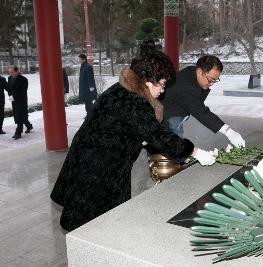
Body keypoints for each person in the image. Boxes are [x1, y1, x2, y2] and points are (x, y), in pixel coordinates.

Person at [50, 50, 216, 231]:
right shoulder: (134, 102)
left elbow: (128, 127)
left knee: (102, 220)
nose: (162, 91)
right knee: (91, 224)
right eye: (161, 85)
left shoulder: (122, 88)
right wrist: (196, 152)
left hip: (96, 159)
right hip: (98, 168)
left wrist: (142, 139)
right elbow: (159, 135)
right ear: (147, 81)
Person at [161, 55, 246, 147]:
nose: (212, 84)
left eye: (215, 80)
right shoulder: (185, 86)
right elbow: (201, 111)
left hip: (175, 111)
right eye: (210, 80)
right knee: (171, 144)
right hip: (167, 114)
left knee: (173, 144)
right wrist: (228, 131)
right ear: (199, 71)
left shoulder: (193, 72)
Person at [7, 66, 33, 139]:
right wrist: (10, 95)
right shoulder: (9, 78)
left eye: (12, 72)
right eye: (10, 72)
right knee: (22, 116)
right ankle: (29, 126)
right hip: (14, 101)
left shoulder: (23, 79)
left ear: (17, 71)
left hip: (22, 100)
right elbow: (9, 89)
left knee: (20, 116)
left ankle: (18, 132)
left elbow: (23, 91)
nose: (11, 74)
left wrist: (14, 96)